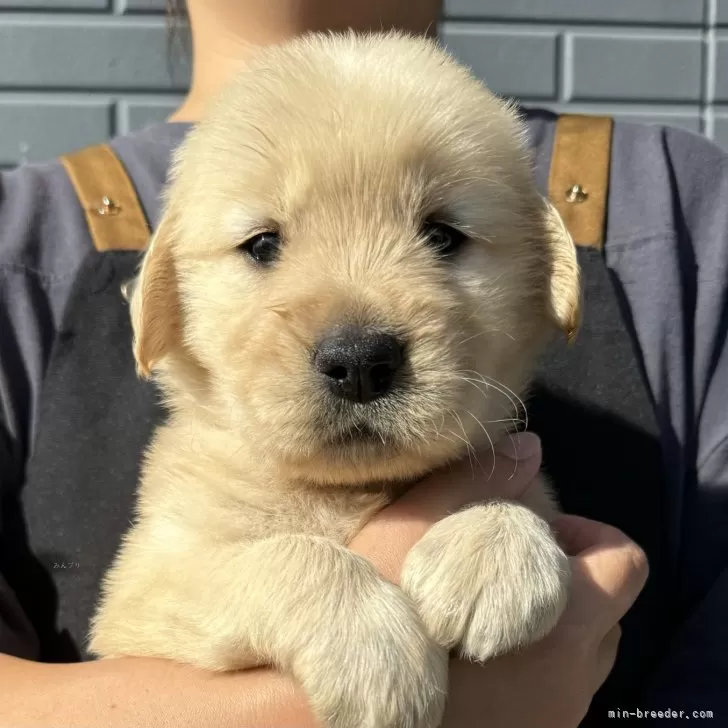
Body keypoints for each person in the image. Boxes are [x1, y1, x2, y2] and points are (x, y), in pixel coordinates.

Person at [0, 0, 724, 725]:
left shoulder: (688, 207)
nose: (353, 346)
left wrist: (508, 531)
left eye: (443, 235)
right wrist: (297, 603)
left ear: (549, 269)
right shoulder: (27, 248)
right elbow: (140, 616)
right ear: (164, 296)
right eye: (262, 244)